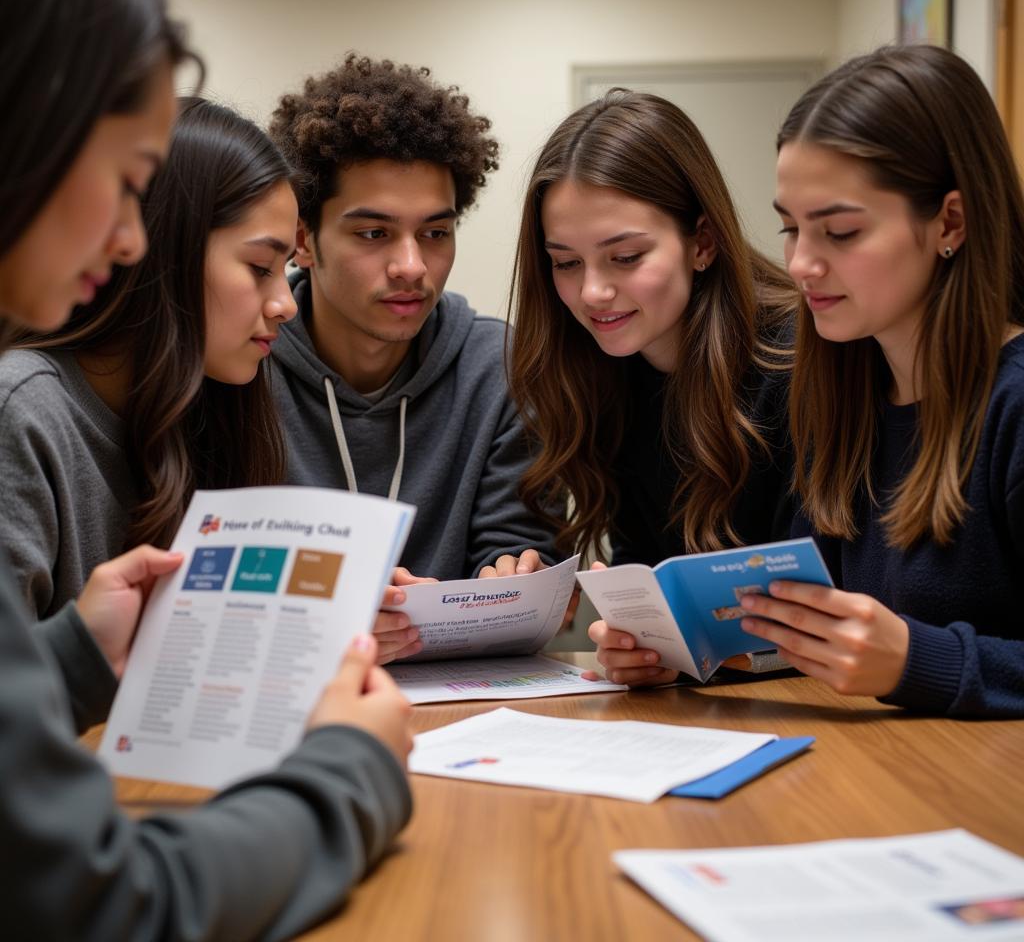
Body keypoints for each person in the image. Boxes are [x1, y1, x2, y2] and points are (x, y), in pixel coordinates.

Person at [0, 0, 412, 939]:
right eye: (125, 181)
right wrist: (351, 770)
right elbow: (105, 902)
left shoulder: (219, 402)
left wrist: (73, 656)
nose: (128, 237)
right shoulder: (23, 411)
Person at [739, 45, 1024, 718]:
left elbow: (897, 657)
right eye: (790, 228)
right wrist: (697, 643)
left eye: (840, 232)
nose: (801, 263)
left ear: (949, 222)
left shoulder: (1014, 405)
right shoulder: (847, 393)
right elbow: (824, 635)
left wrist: (919, 660)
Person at [268, 55, 561, 662]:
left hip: (470, 705)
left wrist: (514, 580)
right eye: (373, 234)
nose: (411, 265)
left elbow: (520, 547)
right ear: (303, 241)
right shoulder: (244, 365)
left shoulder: (501, 368)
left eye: (435, 232)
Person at [506, 89, 797, 687]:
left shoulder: (796, 361)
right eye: (565, 262)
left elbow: (832, 607)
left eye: (626, 256)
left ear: (702, 241)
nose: (592, 292)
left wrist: (706, 655)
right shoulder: (600, 373)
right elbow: (652, 583)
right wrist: (638, 645)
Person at [0, 97, 300, 618]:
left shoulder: (214, 402)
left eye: (286, 270)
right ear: (166, 252)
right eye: (259, 267)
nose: (286, 304)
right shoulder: (22, 413)